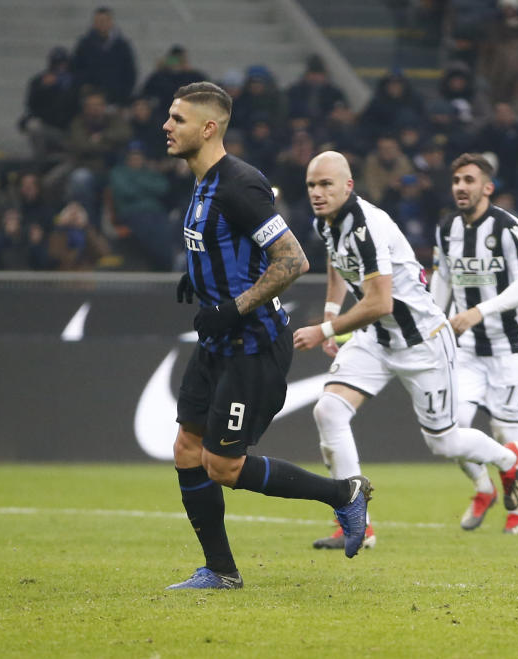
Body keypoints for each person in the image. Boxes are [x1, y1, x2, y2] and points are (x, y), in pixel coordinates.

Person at [165, 82, 373, 590]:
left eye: (177, 119)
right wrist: (200, 275)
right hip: (218, 344)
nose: (166, 126)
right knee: (186, 450)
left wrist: (232, 306)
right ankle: (221, 571)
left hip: (252, 345)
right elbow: (235, 249)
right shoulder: (201, 182)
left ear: (209, 128)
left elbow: (293, 259)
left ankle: (343, 494)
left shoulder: (238, 183)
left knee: (223, 466)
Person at [292, 151, 518, 551]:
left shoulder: (366, 224)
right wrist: (332, 309)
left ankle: (508, 461)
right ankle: (357, 522)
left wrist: (325, 328)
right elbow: (336, 262)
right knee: (328, 410)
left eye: (326, 184)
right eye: (312, 185)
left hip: (422, 342)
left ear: (348, 185)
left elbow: (381, 302)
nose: (317, 192)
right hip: (375, 338)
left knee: (444, 442)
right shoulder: (327, 221)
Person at [431, 153, 518, 534]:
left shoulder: (508, 228)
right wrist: (433, 322)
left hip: (511, 348)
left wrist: (479, 311)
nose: (461, 186)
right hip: (467, 350)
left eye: (469, 180)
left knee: (507, 435)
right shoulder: (447, 228)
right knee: (449, 431)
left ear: (486, 188)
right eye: (457, 179)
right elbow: (442, 279)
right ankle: (483, 487)